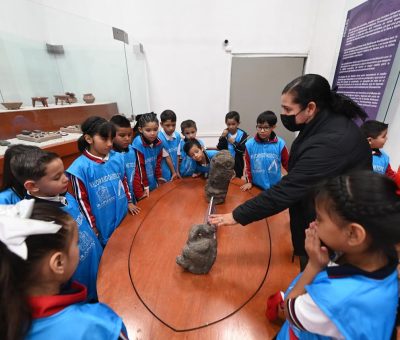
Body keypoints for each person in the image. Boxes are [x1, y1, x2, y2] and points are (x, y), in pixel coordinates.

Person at [209, 74, 371, 269]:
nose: (283, 114)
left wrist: (235, 216)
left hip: (336, 232)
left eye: (287, 109)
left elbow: (289, 188)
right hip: (317, 213)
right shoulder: (320, 124)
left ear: (310, 108)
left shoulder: (334, 141)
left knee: (315, 277)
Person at [277, 171, 400, 339]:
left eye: (320, 219)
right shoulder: (385, 256)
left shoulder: (336, 299)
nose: (313, 223)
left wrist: (314, 265)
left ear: (354, 234)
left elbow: (289, 310)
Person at [0, 200, 128, 340]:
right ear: (59, 263)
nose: (78, 246)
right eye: (76, 243)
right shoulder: (97, 325)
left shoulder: (10, 320)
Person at [10, 148, 103, 301]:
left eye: (63, 172)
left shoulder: (63, 195)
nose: (66, 179)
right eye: (57, 177)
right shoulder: (35, 221)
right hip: (80, 288)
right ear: (32, 186)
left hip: (97, 265)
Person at [67, 116, 136, 246]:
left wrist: (129, 201)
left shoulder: (118, 157)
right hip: (102, 221)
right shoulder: (79, 168)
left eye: (111, 138)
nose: (110, 144)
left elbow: (123, 181)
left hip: (123, 214)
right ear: (88, 139)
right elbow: (81, 201)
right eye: (104, 139)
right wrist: (92, 225)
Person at [240, 111, 289, 191]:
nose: (262, 131)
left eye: (266, 128)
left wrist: (291, 180)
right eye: (259, 127)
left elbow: (288, 164)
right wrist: (249, 182)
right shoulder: (249, 145)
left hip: (276, 186)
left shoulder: (280, 144)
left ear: (273, 127)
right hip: (257, 186)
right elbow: (247, 165)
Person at [110, 114, 141, 214]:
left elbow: (137, 173)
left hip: (134, 198)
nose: (127, 138)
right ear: (111, 135)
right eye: (122, 136)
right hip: (122, 203)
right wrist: (128, 201)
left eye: (129, 135)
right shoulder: (110, 156)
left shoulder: (133, 151)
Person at [132, 112, 165, 199]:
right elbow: (140, 168)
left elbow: (158, 163)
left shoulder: (159, 142)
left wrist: (159, 177)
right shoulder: (138, 143)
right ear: (140, 129)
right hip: (141, 185)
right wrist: (145, 186)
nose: (153, 133)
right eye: (148, 130)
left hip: (153, 181)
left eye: (155, 129)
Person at [217, 111, 248, 178]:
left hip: (238, 164)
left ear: (238, 123)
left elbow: (242, 150)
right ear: (226, 123)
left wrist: (234, 142)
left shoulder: (243, 134)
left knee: (236, 182)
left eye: (233, 124)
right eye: (228, 124)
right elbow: (220, 148)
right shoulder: (225, 133)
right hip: (226, 163)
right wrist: (222, 137)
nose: (231, 127)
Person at [158, 109, 181, 181]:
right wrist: (174, 172)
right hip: (165, 172)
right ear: (161, 124)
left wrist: (177, 171)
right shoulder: (159, 138)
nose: (171, 128)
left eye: (173, 125)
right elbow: (167, 157)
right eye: (167, 125)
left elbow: (178, 154)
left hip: (176, 170)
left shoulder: (177, 136)